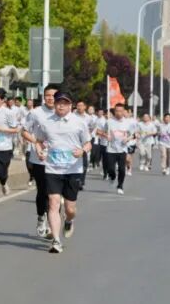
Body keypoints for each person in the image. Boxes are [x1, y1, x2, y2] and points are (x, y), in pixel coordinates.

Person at [31, 91, 91, 254]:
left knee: (70, 208)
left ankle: (69, 220)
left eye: (65, 103)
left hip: (73, 169)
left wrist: (82, 151)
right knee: (53, 203)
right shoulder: (46, 122)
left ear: (70, 105)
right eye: (59, 102)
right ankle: (56, 241)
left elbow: (88, 143)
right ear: (55, 104)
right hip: (53, 169)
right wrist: (40, 151)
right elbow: (38, 141)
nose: (61, 105)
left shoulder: (79, 123)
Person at [22, 85, 58, 238]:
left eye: (53, 95)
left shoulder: (63, 113)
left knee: (55, 195)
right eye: (47, 95)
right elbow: (24, 131)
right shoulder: (36, 113)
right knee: (42, 192)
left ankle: (52, 225)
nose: (50, 98)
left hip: (58, 160)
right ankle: (41, 217)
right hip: (39, 159)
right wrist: (36, 142)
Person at [99, 103, 137, 195]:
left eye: (120, 111)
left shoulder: (128, 123)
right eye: (116, 111)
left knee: (122, 169)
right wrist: (106, 135)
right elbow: (100, 131)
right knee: (111, 169)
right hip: (111, 149)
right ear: (114, 111)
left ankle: (120, 186)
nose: (118, 113)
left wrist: (127, 139)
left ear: (124, 111)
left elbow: (135, 134)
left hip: (122, 149)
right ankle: (112, 177)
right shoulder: (109, 122)